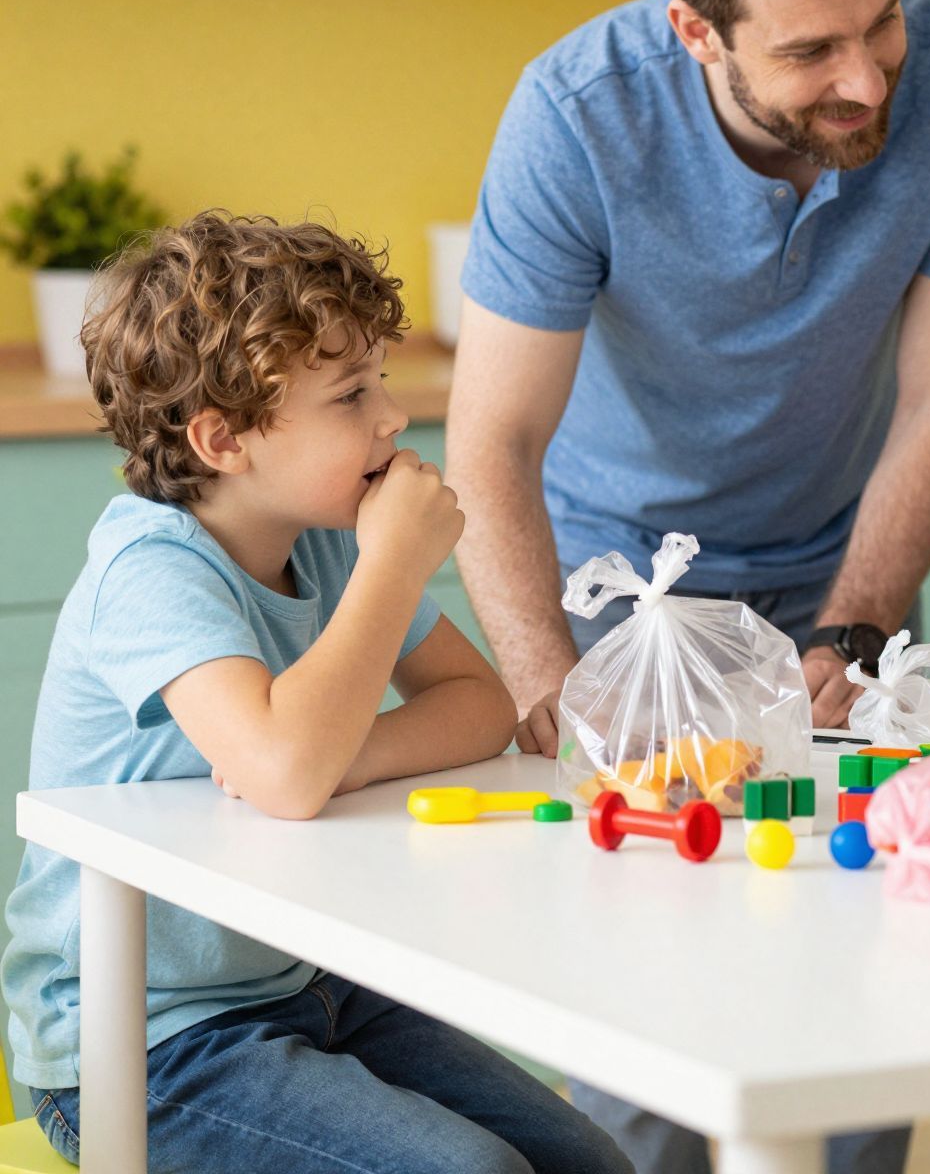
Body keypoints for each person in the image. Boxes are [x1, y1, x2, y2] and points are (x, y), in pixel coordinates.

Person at [448, 0, 930, 1174]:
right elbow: (491, 445)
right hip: (624, 594)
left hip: (837, 569)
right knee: (654, 1025)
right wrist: (554, 693)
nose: (869, 81)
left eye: (880, 23)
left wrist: (856, 619)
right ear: (694, 32)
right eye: (812, 51)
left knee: (863, 988)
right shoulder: (576, 117)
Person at [0, 213, 628, 1174]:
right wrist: (391, 575)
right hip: (143, 1040)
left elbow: (477, 705)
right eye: (350, 396)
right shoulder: (150, 569)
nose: (391, 418)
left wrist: (345, 752)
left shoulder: (328, 536)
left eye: (380, 380)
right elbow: (287, 772)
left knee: (590, 1159)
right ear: (223, 439)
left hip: (311, 985)